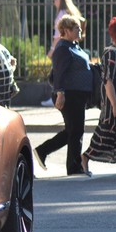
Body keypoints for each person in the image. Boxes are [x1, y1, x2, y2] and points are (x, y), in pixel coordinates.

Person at [33, 14, 92, 176]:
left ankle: (42, 150)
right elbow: (59, 74)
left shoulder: (73, 46)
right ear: (66, 30)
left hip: (77, 95)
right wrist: (60, 94)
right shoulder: (63, 48)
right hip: (68, 95)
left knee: (72, 130)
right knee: (76, 130)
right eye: (76, 28)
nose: (80, 30)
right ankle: (74, 168)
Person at [81, 16, 116, 175]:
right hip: (112, 101)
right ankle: (85, 157)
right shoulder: (111, 53)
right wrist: (115, 105)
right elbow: (108, 81)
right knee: (106, 131)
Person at [42, 0, 84, 106]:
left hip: (61, 46)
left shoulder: (61, 14)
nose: (54, 2)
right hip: (71, 47)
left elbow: (57, 35)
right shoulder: (70, 11)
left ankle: (56, 95)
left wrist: (52, 49)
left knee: (57, 72)